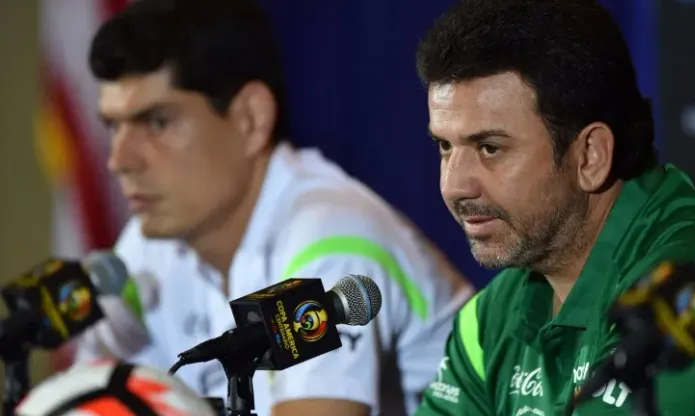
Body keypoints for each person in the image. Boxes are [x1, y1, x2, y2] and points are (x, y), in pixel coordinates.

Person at [72, 1, 474, 416]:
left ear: (251, 118)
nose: (119, 160)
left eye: (157, 122)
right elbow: (75, 397)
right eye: (113, 126)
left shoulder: (331, 234)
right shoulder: (149, 245)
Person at [412, 0, 695, 415]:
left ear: (590, 156)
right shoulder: (488, 319)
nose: (454, 186)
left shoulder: (693, 300)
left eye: (490, 148)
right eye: (445, 146)